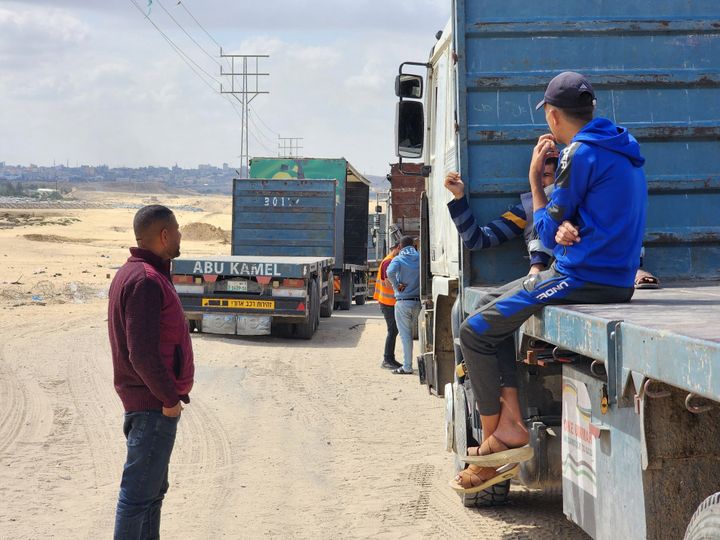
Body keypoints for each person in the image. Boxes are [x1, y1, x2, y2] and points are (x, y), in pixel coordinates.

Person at [449, 71, 647, 494]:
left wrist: (534, 182)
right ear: (592, 109)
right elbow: (573, 220)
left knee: (474, 330)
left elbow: (543, 225)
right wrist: (567, 224)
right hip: (606, 272)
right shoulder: (623, 149)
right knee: (482, 312)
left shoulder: (580, 154)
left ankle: (498, 440)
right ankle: (510, 425)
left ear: (553, 117)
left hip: (581, 275)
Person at [108, 205, 195, 538]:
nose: (180, 235)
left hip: (153, 406)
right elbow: (141, 354)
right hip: (153, 407)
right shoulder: (144, 280)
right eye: (177, 229)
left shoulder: (144, 274)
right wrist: (169, 399)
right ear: (163, 235)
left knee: (152, 496)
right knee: (136, 499)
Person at [444, 153, 559, 274]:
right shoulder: (527, 209)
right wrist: (459, 196)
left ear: (560, 177)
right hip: (546, 281)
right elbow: (477, 240)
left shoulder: (575, 201)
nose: (540, 182)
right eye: (536, 175)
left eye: (546, 175)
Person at [386, 236, 421, 375]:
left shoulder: (399, 259)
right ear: (413, 245)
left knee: (405, 336)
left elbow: (389, 272)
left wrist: (396, 285)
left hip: (403, 303)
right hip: (418, 302)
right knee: (416, 335)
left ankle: (407, 366)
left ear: (400, 247)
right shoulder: (420, 257)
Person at [374, 242, 402, 370]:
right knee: (392, 331)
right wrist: (401, 288)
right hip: (387, 302)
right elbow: (387, 284)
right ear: (397, 248)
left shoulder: (391, 260)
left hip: (390, 302)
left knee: (394, 330)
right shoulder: (388, 262)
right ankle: (386, 359)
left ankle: (391, 358)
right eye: (401, 250)